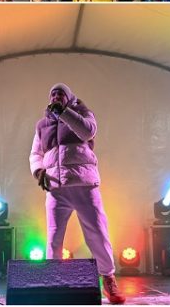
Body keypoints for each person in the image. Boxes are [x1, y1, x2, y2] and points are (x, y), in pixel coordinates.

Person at [29, 84, 125, 305]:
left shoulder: (82, 113)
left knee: (97, 232)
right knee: (53, 238)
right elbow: (35, 153)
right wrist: (39, 170)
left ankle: (108, 279)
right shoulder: (42, 124)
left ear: (69, 97)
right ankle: (54, 283)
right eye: (53, 93)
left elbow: (87, 131)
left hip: (84, 184)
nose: (56, 96)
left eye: (60, 93)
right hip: (55, 188)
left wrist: (64, 112)